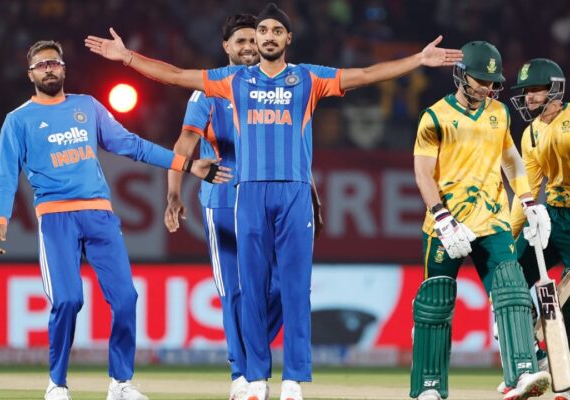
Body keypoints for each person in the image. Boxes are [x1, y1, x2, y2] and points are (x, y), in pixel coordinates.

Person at [85, 3, 462, 399]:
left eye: (274, 31)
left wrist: (418, 60)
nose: (265, 37)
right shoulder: (233, 80)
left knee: (295, 290)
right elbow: (177, 76)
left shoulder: (308, 78)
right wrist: (127, 58)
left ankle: (293, 381)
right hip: (248, 192)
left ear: (288, 38)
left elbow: (366, 75)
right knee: (250, 289)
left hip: (294, 192)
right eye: (262, 31)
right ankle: (254, 379)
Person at [0, 40, 231, 400]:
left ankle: (120, 383)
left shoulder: (87, 107)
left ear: (64, 68)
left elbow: (132, 145)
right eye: (41, 65)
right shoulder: (18, 120)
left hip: (99, 215)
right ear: (30, 74)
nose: (49, 69)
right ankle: (57, 385)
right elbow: (5, 174)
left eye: (54, 63)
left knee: (126, 298)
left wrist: (187, 165)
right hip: (56, 218)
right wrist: (0, 220)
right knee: (67, 300)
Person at [164, 13, 302, 400]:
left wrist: (311, 195)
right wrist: (174, 191)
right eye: (239, 41)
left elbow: (295, 147)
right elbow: (184, 143)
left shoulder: (276, 86)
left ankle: (251, 352)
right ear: (225, 47)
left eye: (252, 40)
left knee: (280, 287)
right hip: (223, 199)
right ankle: (242, 375)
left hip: (270, 198)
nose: (248, 47)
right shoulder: (209, 91)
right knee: (235, 291)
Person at [411, 41, 552, 400]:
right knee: (435, 303)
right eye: (480, 80)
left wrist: (528, 201)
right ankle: (429, 386)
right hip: (447, 226)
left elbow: (511, 159)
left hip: (492, 221)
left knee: (513, 292)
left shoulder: (499, 112)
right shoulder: (434, 117)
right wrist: (442, 217)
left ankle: (522, 372)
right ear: (461, 75)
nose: (487, 88)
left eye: (492, 82)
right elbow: (423, 174)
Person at [508, 58, 569, 400]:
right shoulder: (530, 133)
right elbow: (527, 191)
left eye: (535, 90)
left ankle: (566, 379)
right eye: (526, 91)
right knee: (510, 277)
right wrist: (507, 236)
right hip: (553, 217)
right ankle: (533, 357)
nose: (529, 97)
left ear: (555, 90)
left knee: (567, 304)